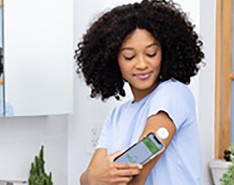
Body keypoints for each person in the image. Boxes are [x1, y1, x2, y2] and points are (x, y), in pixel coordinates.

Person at [75, 0, 204, 184]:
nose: (142, 64)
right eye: (129, 56)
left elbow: (136, 173)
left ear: (165, 52)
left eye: (151, 53)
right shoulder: (117, 116)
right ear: (113, 59)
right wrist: (92, 177)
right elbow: (88, 177)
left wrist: (98, 177)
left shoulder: (173, 93)